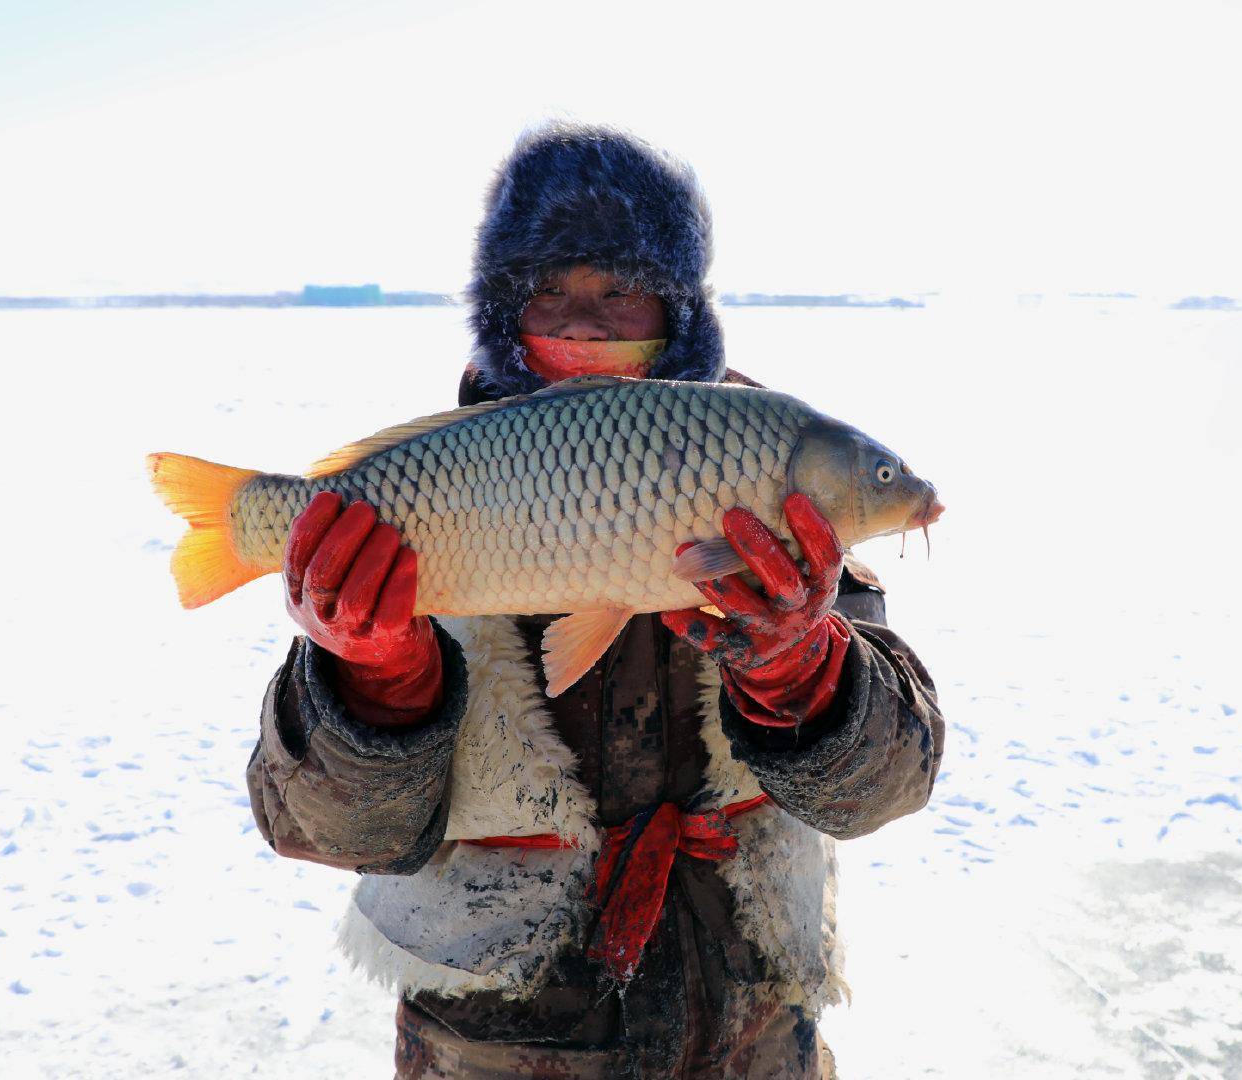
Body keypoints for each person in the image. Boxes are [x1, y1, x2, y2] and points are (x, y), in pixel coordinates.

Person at [246, 123, 945, 1079]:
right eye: (548, 292)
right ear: (505, 311)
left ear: (676, 308)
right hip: (490, 1052)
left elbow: (887, 789)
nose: (581, 321)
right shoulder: (437, 479)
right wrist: (378, 682)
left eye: (618, 288)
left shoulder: (768, 472)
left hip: (748, 1043)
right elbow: (316, 829)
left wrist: (803, 667)